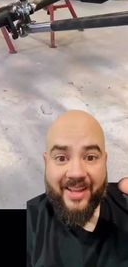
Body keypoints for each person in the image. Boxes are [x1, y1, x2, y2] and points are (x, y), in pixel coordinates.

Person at [27, 110, 128, 267]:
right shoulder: (31, 223)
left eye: (90, 157)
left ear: (105, 162)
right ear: (47, 163)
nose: (76, 173)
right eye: (61, 158)